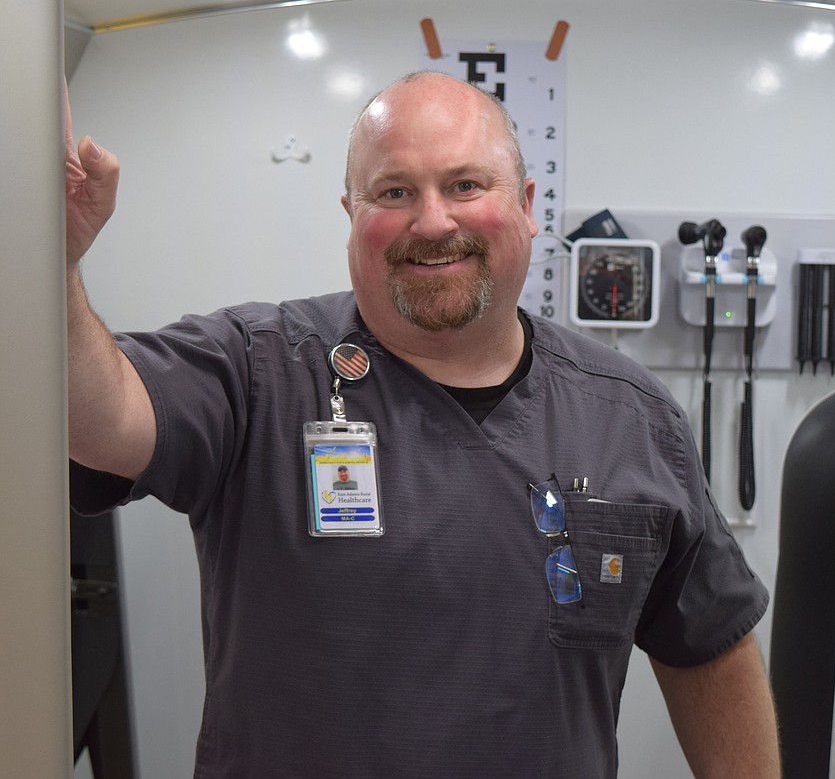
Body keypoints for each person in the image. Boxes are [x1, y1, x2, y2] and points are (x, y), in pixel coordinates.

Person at [65, 71, 781, 777]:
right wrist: (49, 262)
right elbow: (98, 416)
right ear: (351, 212)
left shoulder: (631, 418)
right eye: (395, 191)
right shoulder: (255, 371)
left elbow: (710, 641)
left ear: (528, 205)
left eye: (466, 185)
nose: (434, 221)